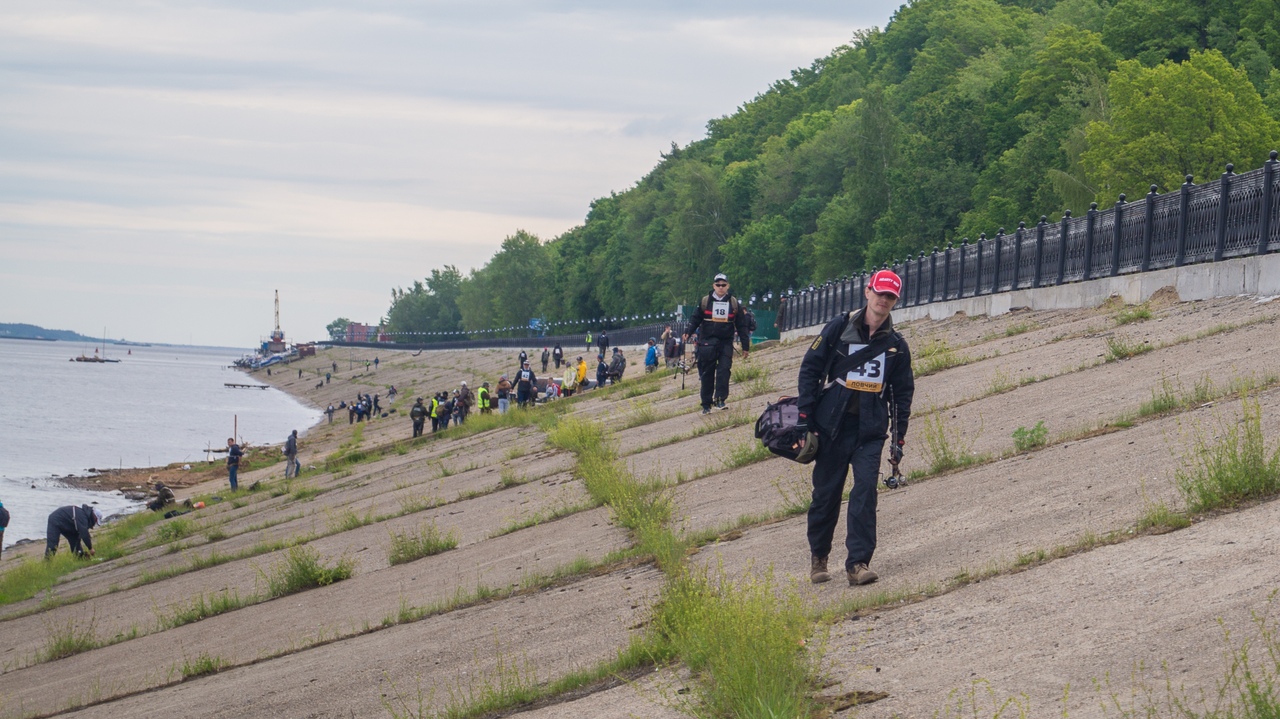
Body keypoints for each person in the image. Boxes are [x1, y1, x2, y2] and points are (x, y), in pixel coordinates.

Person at [797, 269, 914, 587]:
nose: (883, 300)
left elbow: (902, 394)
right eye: (880, 293)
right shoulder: (838, 327)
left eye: (890, 296)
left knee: (865, 493)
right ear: (867, 292)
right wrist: (804, 419)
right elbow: (810, 369)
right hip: (830, 427)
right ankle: (819, 558)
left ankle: (858, 563)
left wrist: (898, 438)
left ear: (896, 301)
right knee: (826, 495)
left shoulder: (896, 345)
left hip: (870, 431)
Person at [683, 272, 751, 414]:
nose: (721, 287)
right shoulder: (705, 302)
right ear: (714, 286)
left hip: (726, 342)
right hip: (707, 342)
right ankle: (706, 404)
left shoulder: (733, 303)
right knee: (707, 373)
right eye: (718, 285)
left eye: (723, 285)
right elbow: (695, 318)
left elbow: (742, 325)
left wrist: (746, 346)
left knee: (724, 370)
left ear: (727, 286)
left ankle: (720, 400)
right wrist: (688, 332)